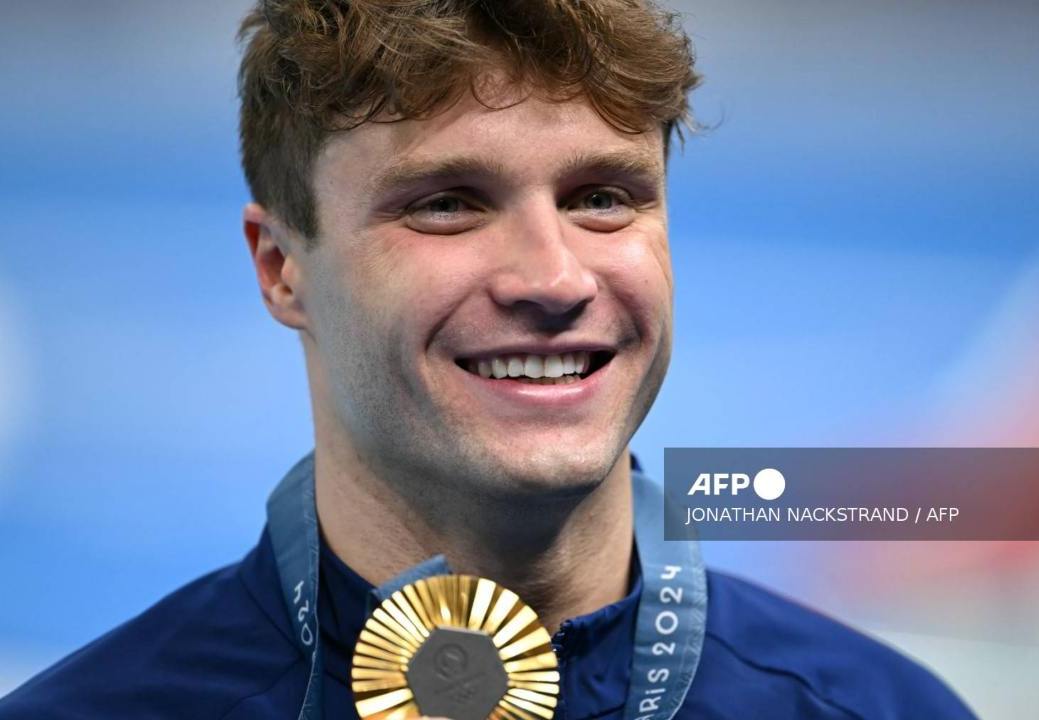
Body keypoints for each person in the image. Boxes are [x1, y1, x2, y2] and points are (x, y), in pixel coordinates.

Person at [0, 1, 976, 718]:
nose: (553, 279)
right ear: (281, 268)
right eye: (448, 202)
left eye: (602, 196)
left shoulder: (879, 710)